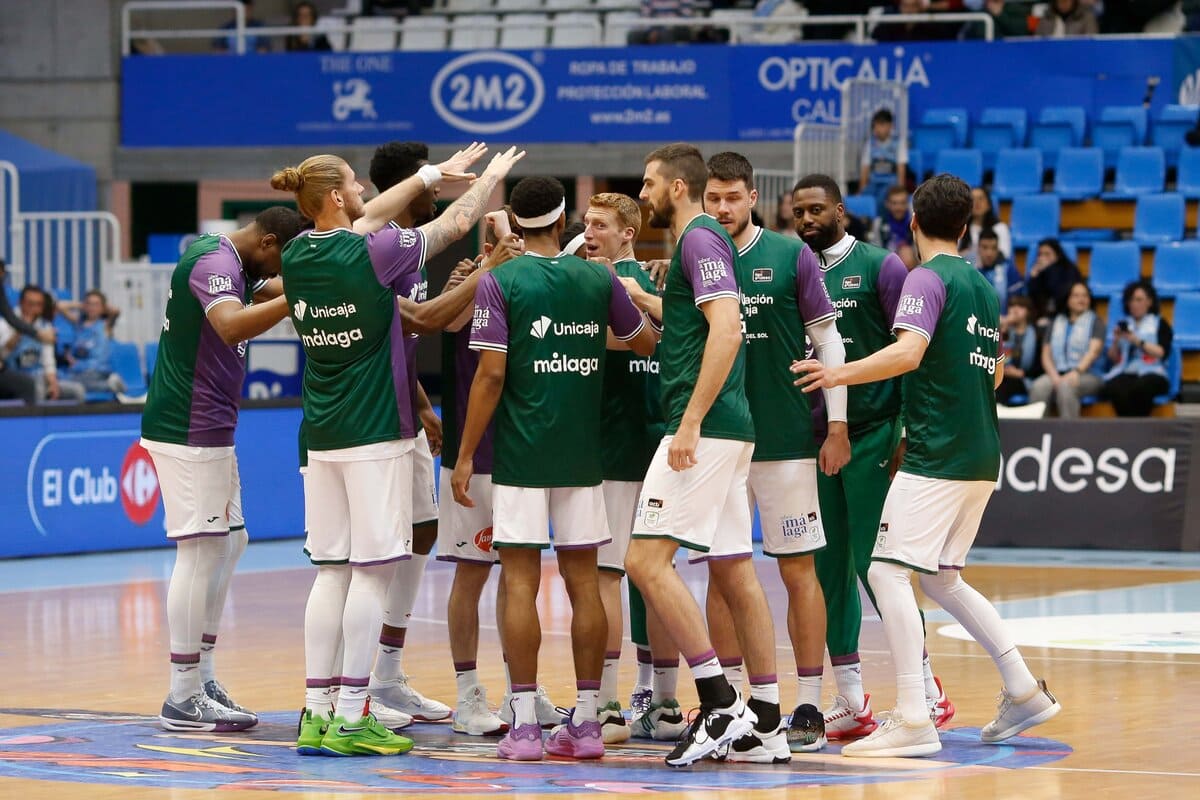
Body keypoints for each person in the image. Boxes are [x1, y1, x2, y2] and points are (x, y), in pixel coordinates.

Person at [793, 173, 1061, 759]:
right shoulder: (984, 288)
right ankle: (1022, 688)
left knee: (886, 572)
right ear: (967, 227)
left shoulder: (924, 277)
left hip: (936, 455)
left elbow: (909, 351)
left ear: (912, 222)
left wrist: (837, 372)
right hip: (981, 453)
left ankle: (915, 714)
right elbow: (990, 373)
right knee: (942, 578)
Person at [278, 144, 523, 757]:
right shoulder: (377, 251)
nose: (364, 190)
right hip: (374, 433)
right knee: (372, 571)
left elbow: (363, 216)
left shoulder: (298, 251)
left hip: (321, 435)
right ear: (337, 196)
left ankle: (316, 712)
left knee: (330, 572)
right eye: (353, 185)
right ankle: (357, 711)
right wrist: (489, 178)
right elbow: (455, 224)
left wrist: (429, 174)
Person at [451, 176, 656, 762]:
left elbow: (490, 375)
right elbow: (645, 343)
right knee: (584, 583)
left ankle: (522, 727)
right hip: (582, 457)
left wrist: (466, 455)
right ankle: (589, 724)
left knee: (520, 582)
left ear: (513, 220)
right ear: (563, 218)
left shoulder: (500, 281)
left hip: (520, 456)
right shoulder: (598, 278)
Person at [621, 143, 778, 769]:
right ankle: (765, 717)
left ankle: (716, 701)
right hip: (725, 427)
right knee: (735, 566)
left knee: (644, 560)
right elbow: (696, 322)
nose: (643, 191)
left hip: (703, 428)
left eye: (649, 181)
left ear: (677, 187)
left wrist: (688, 422)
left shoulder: (698, 239)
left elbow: (728, 328)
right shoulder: (698, 244)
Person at [686, 153, 847, 759]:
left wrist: (838, 426)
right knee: (723, 570)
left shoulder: (790, 256)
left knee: (797, 570)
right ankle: (727, 704)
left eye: (733, 198)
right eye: (713, 199)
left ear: (753, 197)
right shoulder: (696, 253)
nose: (722, 209)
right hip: (721, 442)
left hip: (783, 440)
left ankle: (807, 700)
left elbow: (829, 339)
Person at [792, 173, 955, 744]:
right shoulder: (794, 268)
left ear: (841, 210)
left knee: (877, 567)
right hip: (813, 442)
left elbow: (914, 354)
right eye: (798, 212)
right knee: (827, 571)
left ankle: (929, 692)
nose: (807, 219)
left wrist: (905, 429)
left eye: (816, 209)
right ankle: (850, 696)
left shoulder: (882, 267)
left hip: (871, 434)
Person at [141, 206, 304, 733]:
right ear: (271, 243)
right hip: (186, 424)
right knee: (200, 549)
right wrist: (294, 299)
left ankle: (203, 677)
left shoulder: (227, 261)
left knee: (231, 541)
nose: (283, 276)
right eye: (286, 263)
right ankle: (182, 694)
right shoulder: (216, 262)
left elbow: (250, 301)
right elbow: (231, 322)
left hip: (209, 423)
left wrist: (285, 295)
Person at [580, 192, 680, 745]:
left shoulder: (594, 285)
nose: (588, 231)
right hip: (660, 446)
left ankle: (611, 706)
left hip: (616, 450)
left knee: (607, 577)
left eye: (600, 225)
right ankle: (664, 703)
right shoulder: (663, 287)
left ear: (627, 233)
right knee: (657, 575)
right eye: (585, 223)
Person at [363, 141, 455, 728]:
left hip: (405, 408)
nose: (440, 191)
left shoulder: (412, 248)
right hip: (367, 423)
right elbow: (420, 319)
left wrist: (422, 402)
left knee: (423, 529)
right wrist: (488, 276)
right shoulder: (376, 246)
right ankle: (356, 687)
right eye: (433, 183)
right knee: (368, 553)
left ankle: (389, 675)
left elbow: (404, 337)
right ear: (410, 186)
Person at [1028, 281, 1104, 418]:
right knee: (1038, 386)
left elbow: (1093, 352)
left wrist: (1076, 371)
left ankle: (1069, 436)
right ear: (1067, 299)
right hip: (1057, 373)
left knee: (1066, 387)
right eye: (1076, 296)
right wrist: (1054, 376)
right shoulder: (1056, 321)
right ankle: (1036, 435)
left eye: (1085, 296)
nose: (1081, 299)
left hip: (1086, 374)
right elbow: (1046, 354)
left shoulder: (1096, 321)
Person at [0, 286, 84, 403]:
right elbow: (4, 356)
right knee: (35, 387)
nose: (34, 308)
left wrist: (53, 383)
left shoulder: (45, 327)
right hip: (15, 377)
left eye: (39, 304)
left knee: (77, 391)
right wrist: (21, 329)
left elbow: (48, 360)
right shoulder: (5, 325)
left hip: (41, 377)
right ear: (21, 303)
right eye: (30, 304)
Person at [1103, 280, 1173, 416]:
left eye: (1139, 300)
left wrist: (1138, 341)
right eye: (1132, 300)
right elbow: (1113, 358)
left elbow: (1161, 352)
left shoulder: (1159, 323)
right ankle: (1129, 428)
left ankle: (1138, 428)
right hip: (1126, 370)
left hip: (1153, 372)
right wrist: (1116, 341)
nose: (1135, 304)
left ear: (1149, 302)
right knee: (1114, 387)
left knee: (1141, 388)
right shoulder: (1124, 325)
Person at [57, 290, 125, 395]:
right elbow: (60, 306)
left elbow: (116, 311)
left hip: (98, 370)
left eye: (96, 304)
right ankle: (109, 384)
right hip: (79, 370)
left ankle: (110, 386)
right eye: (89, 303)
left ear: (103, 307)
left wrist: (101, 308)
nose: (92, 307)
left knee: (70, 383)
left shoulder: (105, 325)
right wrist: (82, 305)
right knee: (62, 379)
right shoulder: (78, 323)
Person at [860, 111, 906, 213]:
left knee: (883, 198)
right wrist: (862, 190)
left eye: (881, 125)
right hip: (874, 182)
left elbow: (901, 168)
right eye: (875, 125)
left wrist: (900, 190)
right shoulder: (870, 143)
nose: (877, 128)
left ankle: (880, 223)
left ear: (890, 126)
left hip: (890, 183)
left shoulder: (898, 142)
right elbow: (865, 168)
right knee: (865, 197)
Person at [997, 296, 1039, 405]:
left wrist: (1021, 373)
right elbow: (997, 356)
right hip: (1003, 375)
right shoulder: (1003, 331)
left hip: (1024, 379)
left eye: (1020, 306)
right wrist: (1004, 328)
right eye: (1012, 306)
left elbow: (1039, 366)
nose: (1015, 310)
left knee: (1004, 386)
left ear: (1028, 312)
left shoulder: (1036, 334)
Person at [1027, 238, 1082, 320]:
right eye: (1040, 254)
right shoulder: (1038, 271)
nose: (1042, 258)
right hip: (1042, 315)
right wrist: (1034, 278)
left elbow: (1060, 294)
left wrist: (1049, 270)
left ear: (1057, 255)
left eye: (1047, 254)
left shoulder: (1069, 269)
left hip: (1064, 313)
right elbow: (1033, 297)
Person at [974, 229, 1024, 314]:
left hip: (1003, 323)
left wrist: (1007, 320)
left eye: (994, 248)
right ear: (978, 248)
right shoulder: (969, 269)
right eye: (985, 247)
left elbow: (1018, 302)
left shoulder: (1008, 269)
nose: (989, 253)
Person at [960, 187, 1011, 265]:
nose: (977, 203)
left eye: (981, 198)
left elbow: (1004, 255)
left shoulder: (1000, 228)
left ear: (989, 204)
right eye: (973, 199)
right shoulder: (962, 228)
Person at [870, 186, 916, 268]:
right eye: (894, 203)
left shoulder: (915, 223)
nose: (899, 207)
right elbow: (875, 251)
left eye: (902, 203)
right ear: (887, 204)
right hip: (887, 265)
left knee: (907, 254)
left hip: (913, 264)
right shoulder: (879, 223)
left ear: (907, 204)